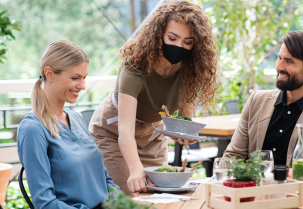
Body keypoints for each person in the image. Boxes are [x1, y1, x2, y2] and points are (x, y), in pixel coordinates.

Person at [89, 0, 219, 196]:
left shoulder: (191, 70)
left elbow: (183, 118)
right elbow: (125, 129)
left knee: (160, 196)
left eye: (187, 42)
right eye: (172, 38)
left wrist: (182, 133)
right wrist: (135, 170)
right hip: (114, 133)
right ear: (159, 33)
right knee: (128, 196)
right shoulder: (135, 66)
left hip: (152, 136)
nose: (179, 46)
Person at [221, 31, 303, 181]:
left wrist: (290, 175)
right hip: (252, 197)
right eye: (279, 58)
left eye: (289, 61)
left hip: (298, 196)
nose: (279, 67)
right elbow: (233, 156)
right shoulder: (256, 101)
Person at [17, 40, 120, 209]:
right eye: (75, 78)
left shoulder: (76, 118)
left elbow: (104, 178)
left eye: (84, 77)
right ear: (49, 73)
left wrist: (123, 204)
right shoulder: (32, 129)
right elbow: (45, 203)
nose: (83, 86)